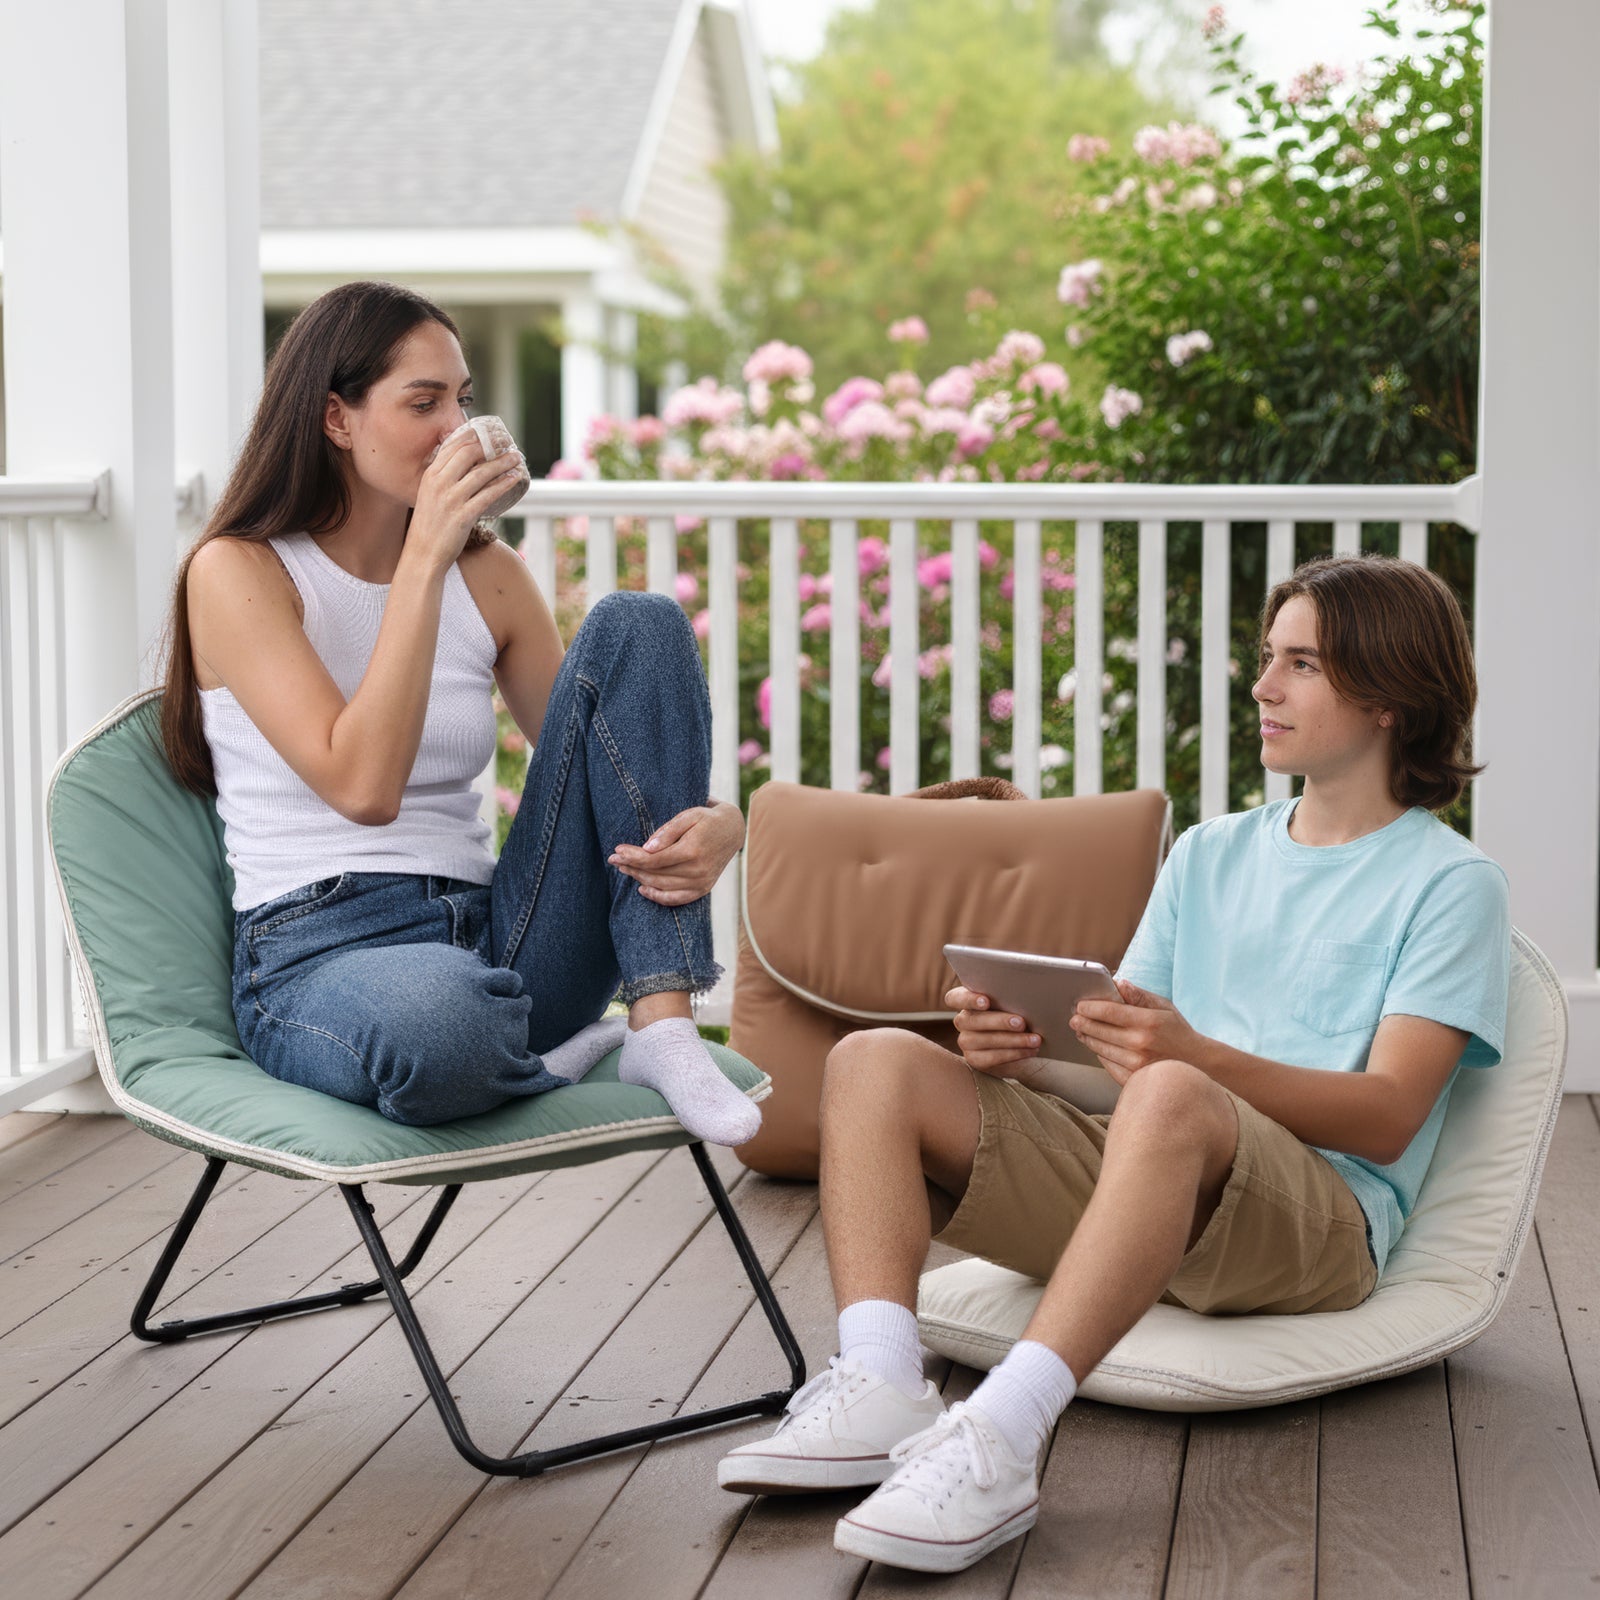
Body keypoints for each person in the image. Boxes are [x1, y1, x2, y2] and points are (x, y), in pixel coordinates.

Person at [718, 554, 1510, 1573]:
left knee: (1175, 1089)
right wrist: (1029, 1061)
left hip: (1318, 1224)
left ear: (1390, 694)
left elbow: (1390, 1114)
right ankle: (879, 1381)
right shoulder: (1210, 854)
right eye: (1268, 657)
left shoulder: (1451, 883)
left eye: (1302, 664)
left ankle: (1000, 1435)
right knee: (877, 1059)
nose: (1262, 687)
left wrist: (1190, 1059)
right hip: (1161, 1181)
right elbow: (1120, 1071)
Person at [159, 280, 758, 1147]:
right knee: (442, 1027)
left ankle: (661, 1027)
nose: (457, 429)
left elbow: (612, 770)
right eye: (424, 403)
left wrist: (724, 822)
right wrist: (426, 556)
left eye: (463, 401)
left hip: (502, 935)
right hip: (323, 955)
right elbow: (365, 787)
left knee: (643, 622)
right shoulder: (238, 571)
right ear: (336, 418)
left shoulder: (491, 577)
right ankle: (538, 1053)